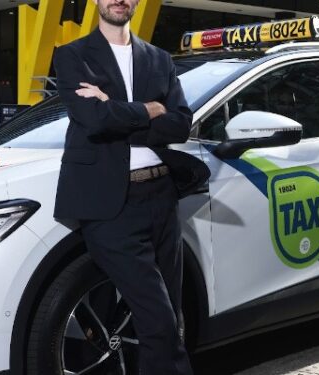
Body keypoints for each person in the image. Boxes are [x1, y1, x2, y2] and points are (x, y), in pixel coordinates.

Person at [52, 0, 207, 374]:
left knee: (171, 316)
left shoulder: (159, 59)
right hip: (110, 207)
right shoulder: (72, 56)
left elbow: (180, 125)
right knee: (160, 321)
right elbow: (93, 119)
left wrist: (115, 107)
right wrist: (149, 109)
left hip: (162, 198)